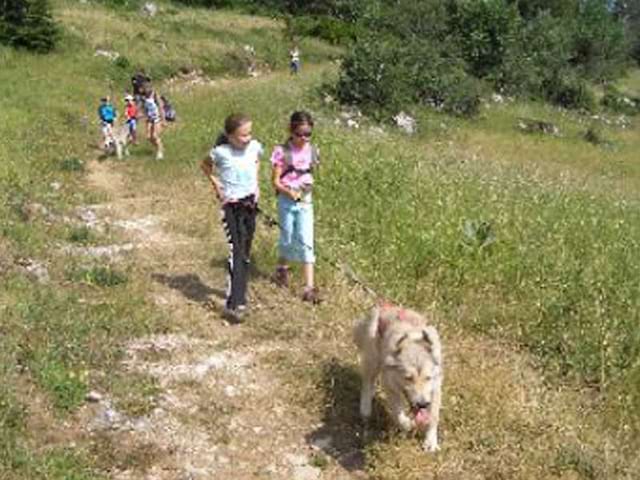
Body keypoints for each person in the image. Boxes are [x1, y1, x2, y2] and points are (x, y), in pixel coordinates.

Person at [200, 113, 263, 322]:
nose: (247, 138)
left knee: (245, 251)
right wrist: (216, 183)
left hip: (250, 205)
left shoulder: (254, 147)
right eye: (242, 135)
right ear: (230, 136)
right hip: (232, 207)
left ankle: (239, 296)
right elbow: (205, 166)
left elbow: (256, 161)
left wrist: (256, 186)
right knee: (236, 250)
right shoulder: (220, 152)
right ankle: (234, 303)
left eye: (249, 134)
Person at [271, 111, 321, 304]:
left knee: (306, 240)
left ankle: (309, 287)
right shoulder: (282, 151)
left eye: (308, 134)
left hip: (305, 200)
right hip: (287, 199)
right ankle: (281, 269)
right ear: (291, 131)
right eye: (300, 134)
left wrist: (307, 186)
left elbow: (310, 174)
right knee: (287, 238)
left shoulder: (313, 151)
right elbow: (275, 182)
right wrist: (288, 191)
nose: (304, 138)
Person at [142, 87, 164, 160]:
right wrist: (145, 117)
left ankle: (160, 151)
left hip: (156, 118)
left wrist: (163, 120)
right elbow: (145, 109)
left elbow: (161, 108)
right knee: (148, 137)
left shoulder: (155, 98)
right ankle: (158, 147)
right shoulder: (144, 99)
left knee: (155, 136)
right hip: (149, 119)